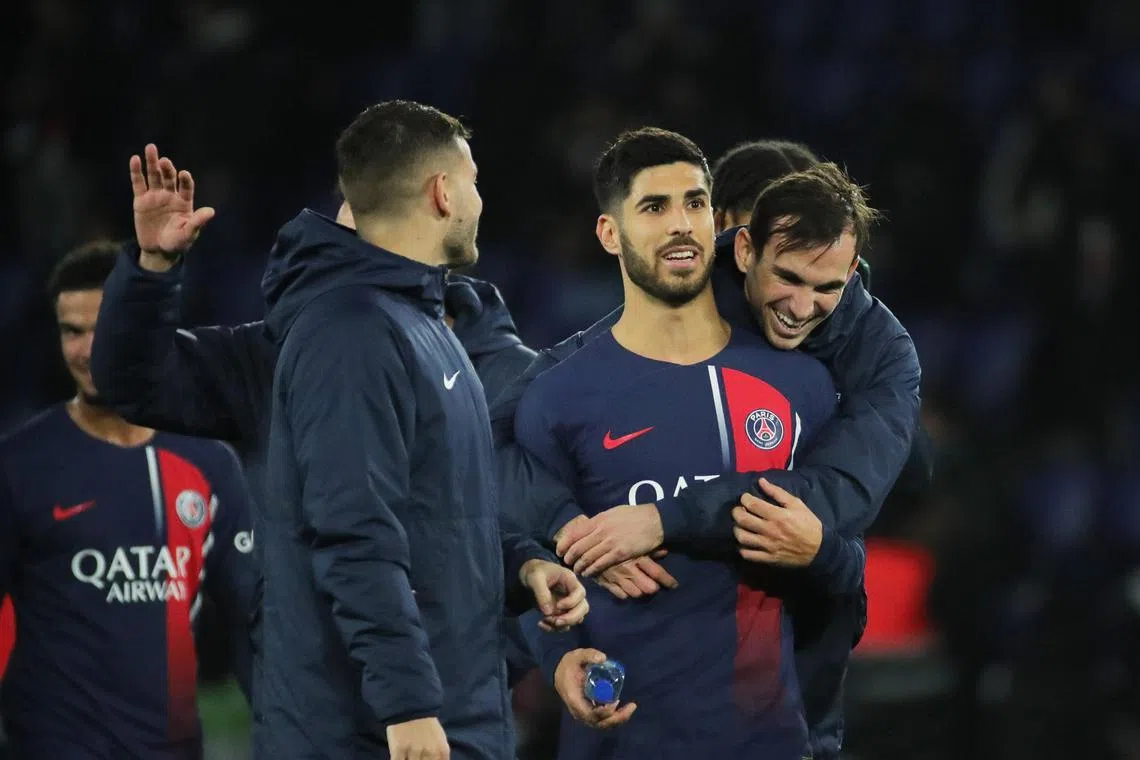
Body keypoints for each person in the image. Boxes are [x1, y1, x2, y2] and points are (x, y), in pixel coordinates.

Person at [490, 138, 923, 759]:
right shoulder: (564, 390)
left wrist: (664, 519)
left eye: (694, 201)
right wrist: (564, 567)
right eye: (657, 207)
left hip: (776, 732)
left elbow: (840, 519)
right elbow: (512, 513)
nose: (800, 306)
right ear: (743, 247)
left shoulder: (835, 374)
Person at [89, 142, 550, 697]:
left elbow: (546, 520)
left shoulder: (500, 366)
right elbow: (135, 381)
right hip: (317, 704)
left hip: (464, 702)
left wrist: (501, 656)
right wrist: (152, 272)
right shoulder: (278, 356)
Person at [257, 100, 586, 760]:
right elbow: (354, 535)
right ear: (442, 192)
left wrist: (519, 565)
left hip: (450, 708)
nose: (478, 201)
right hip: (379, 730)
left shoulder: (425, 327)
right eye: (472, 182)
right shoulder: (350, 336)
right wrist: (407, 705)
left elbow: (433, 517)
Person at [0, 242, 258, 759]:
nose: (87, 349)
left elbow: (255, 624)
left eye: (102, 327)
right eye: (72, 331)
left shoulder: (208, 464)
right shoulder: (18, 466)